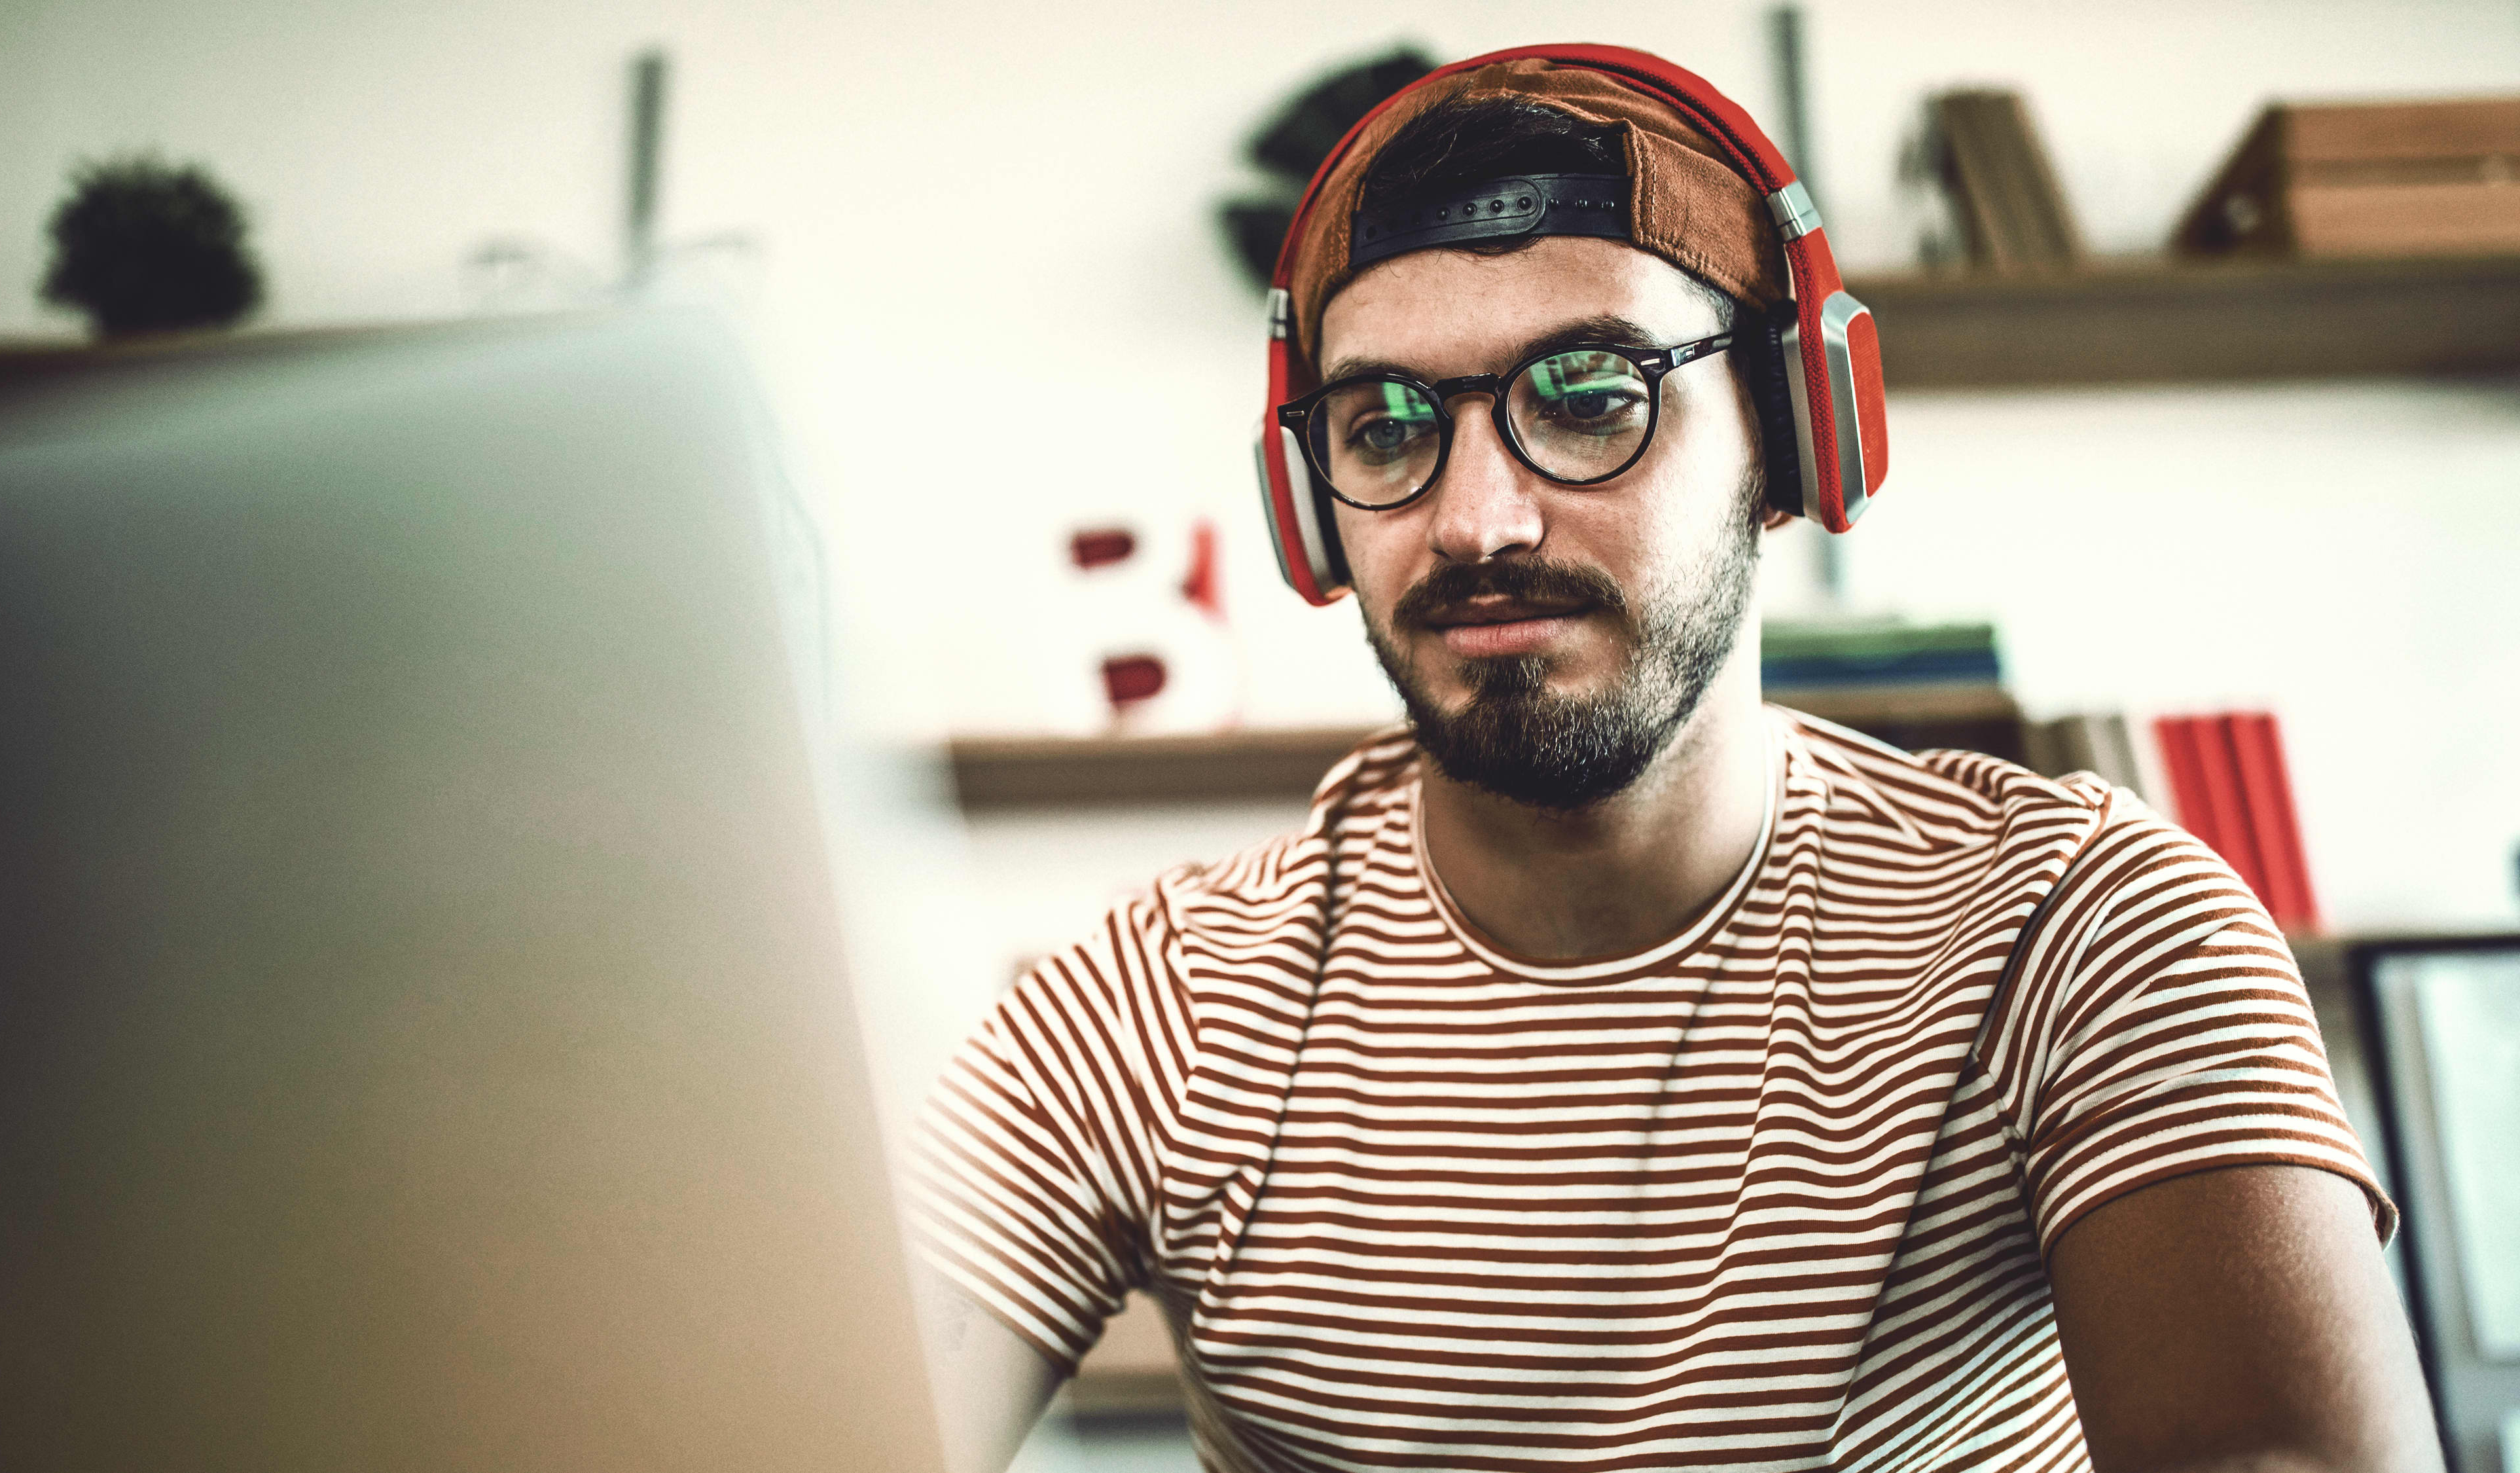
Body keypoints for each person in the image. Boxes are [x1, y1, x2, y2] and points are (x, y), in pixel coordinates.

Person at [907, 49, 2440, 1473]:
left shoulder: (2087, 929)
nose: (1477, 522)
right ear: (1310, 509)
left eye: (1588, 398)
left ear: (1791, 433)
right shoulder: (1141, 1013)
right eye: (1383, 425)